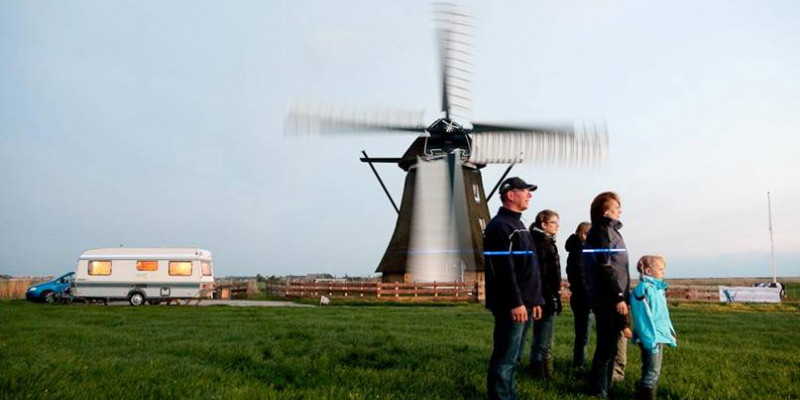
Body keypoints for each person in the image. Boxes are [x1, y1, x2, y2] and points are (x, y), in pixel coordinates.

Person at [484, 177, 544, 400]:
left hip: (524, 303)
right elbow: (502, 270)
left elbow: (528, 268)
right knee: (505, 356)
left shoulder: (518, 225)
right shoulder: (500, 227)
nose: (530, 195)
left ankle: (509, 394)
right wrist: (515, 302)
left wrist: (534, 300)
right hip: (511, 304)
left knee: (514, 355)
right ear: (511, 195)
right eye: (525, 191)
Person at [582, 191, 630, 398]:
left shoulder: (611, 231)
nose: (620, 210)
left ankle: (605, 387)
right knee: (605, 347)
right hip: (607, 298)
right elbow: (604, 266)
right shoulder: (601, 232)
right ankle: (598, 391)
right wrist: (618, 296)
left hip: (611, 296)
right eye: (616, 207)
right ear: (605, 210)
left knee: (610, 347)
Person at [630, 255, 677, 400]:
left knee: (651, 370)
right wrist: (650, 340)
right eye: (661, 269)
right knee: (652, 373)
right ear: (649, 271)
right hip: (651, 337)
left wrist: (670, 333)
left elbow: (662, 315)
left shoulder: (657, 289)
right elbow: (642, 318)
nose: (663, 273)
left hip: (659, 335)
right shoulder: (643, 289)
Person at [528, 209, 562, 379]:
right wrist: (550, 295)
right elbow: (542, 273)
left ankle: (538, 370)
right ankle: (542, 375)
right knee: (544, 338)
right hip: (544, 296)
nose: (557, 226)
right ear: (543, 224)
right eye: (553, 222)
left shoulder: (546, 241)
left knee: (542, 335)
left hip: (547, 294)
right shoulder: (540, 243)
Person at [565, 221, 592, 373]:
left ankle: (579, 363)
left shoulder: (579, 250)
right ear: (582, 234)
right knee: (583, 334)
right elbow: (581, 277)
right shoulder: (578, 252)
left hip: (581, 296)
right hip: (583, 297)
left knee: (583, 334)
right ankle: (579, 366)